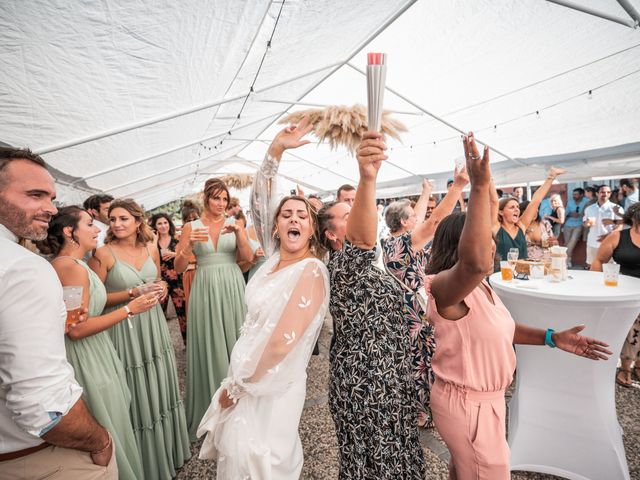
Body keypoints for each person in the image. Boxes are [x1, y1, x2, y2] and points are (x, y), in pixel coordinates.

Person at [423, 133, 612, 480]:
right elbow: (476, 262)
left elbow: (501, 330)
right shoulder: (444, 288)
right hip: (468, 406)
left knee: (466, 473)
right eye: (486, 239)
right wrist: (480, 187)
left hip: (486, 402)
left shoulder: (482, 289)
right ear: (460, 243)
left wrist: (553, 337)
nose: (493, 246)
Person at [197, 118, 330, 479]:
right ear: (274, 226)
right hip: (244, 368)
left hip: (273, 382)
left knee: (265, 460)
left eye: (302, 215)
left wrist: (238, 388)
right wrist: (275, 149)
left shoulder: (311, 271)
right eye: (286, 214)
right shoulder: (272, 257)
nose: (293, 218)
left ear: (311, 228)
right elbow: (260, 200)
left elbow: (283, 341)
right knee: (239, 456)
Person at [0, 147, 116, 479]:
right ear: (70, 231)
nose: (51, 208)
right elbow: (43, 405)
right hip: (32, 453)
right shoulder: (26, 268)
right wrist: (100, 440)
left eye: (51, 197)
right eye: (35, 195)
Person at [318, 132, 426, 479]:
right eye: (346, 214)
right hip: (365, 386)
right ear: (332, 235)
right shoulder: (341, 268)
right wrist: (367, 176)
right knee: (374, 466)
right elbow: (362, 241)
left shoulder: (372, 262)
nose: (359, 216)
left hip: (389, 378)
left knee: (397, 458)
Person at [44, 206, 158, 480]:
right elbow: (75, 329)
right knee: (110, 419)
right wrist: (131, 309)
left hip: (98, 348)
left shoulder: (77, 264)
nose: (99, 230)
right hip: (86, 354)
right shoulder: (69, 268)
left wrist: (134, 291)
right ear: (69, 231)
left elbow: (94, 302)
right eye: (90, 224)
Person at [90, 199, 190, 479]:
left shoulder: (150, 248)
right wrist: (133, 294)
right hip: (124, 327)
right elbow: (96, 300)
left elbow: (157, 280)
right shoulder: (103, 254)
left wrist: (161, 290)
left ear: (138, 221)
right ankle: (142, 460)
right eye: (113, 219)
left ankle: (166, 451)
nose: (117, 224)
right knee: (132, 387)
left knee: (157, 382)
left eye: (123, 218)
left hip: (152, 325)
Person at [382, 168, 469, 428]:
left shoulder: (394, 240)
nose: (419, 217)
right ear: (404, 223)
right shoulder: (403, 244)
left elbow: (420, 216)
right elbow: (433, 222)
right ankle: (422, 413)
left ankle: (423, 409)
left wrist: (427, 192)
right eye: (413, 217)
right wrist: (457, 187)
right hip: (412, 311)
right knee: (421, 360)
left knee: (422, 358)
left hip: (415, 306)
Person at [174, 178, 252, 440]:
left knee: (237, 341)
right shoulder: (190, 227)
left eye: (224, 199)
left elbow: (248, 258)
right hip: (205, 286)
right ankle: (212, 411)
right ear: (205, 199)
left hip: (232, 284)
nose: (221, 203)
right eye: (216, 198)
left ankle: (242, 408)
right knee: (210, 343)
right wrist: (188, 247)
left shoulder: (235, 224)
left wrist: (241, 234)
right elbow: (178, 267)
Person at [591, 203, 640, 387]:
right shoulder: (619, 236)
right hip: (624, 292)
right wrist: (596, 285)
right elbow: (599, 260)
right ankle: (625, 368)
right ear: (633, 219)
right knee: (630, 330)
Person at [492, 166, 565, 267]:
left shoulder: (521, 226)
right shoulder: (496, 227)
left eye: (517, 207)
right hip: (500, 276)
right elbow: (493, 201)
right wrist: (489, 179)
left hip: (522, 275)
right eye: (511, 207)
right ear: (500, 212)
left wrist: (551, 177)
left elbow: (536, 200)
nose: (516, 209)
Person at [151, 212, 187, 343]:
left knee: (183, 313)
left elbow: (187, 256)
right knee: (159, 313)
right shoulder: (152, 243)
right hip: (161, 281)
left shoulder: (178, 238)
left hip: (178, 280)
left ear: (169, 224)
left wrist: (175, 254)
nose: (163, 226)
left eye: (165, 222)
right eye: (159, 223)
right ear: (155, 226)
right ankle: (161, 343)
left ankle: (187, 342)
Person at [583, 184, 623, 268]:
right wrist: (587, 223)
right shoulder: (589, 208)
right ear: (597, 193)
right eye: (602, 192)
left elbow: (621, 225)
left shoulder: (616, 208)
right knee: (591, 266)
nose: (605, 194)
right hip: (592, 242)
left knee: (610, 268)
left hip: (609, 244)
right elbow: (585, 224)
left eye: (608, 192)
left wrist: (609, 236)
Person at [180, 200, 201, 316]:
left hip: (203, 271)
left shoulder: (205, 232)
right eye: (189, 220)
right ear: (184, 221)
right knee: (196, 309)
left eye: (195, 219)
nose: (193, 223)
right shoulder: (183, 235)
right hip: (190, 274)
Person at [564, 188, 589, 267]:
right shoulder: (570, 201)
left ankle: (566, 260)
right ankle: (567, 261)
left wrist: (581, 215)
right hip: (568, 224)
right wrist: (570, 214)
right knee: (567, 242)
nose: (574, 196)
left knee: (573, 241)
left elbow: (588, 213)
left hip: (579, 224)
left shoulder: (587, 201)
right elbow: (565, 213)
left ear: (581, 195)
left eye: (576, 194)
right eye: (573, 194)